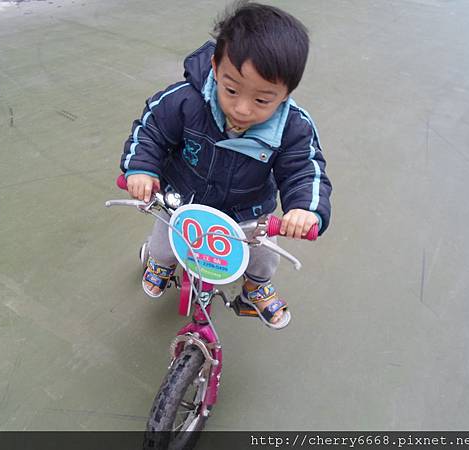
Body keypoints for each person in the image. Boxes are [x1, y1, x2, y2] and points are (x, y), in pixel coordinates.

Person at [120, 1, 332, 330]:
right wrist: (142, 168)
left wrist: (305, 209)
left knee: (263, 258)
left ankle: (255, 287)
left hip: (246, 214)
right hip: (182, 204)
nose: (242, 109)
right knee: (164, 246)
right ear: (216, 67)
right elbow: (151, 130)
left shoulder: (293, 127)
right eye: (231, 89)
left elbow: (304, 169)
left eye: (262, 99)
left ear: (286, 93)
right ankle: (160, 264)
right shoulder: (186, 101)